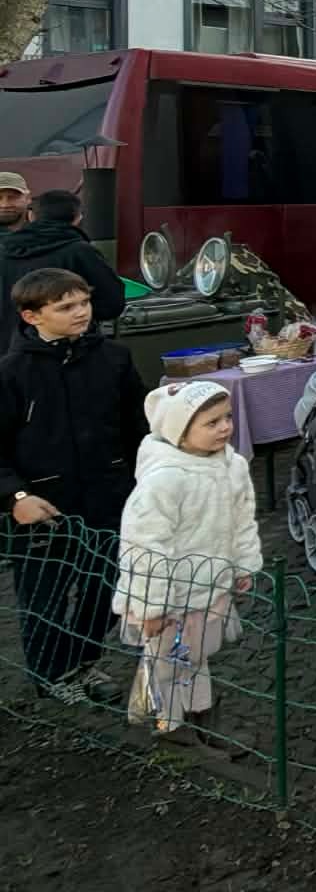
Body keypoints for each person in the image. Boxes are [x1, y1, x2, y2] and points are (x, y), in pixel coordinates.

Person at [0, 268, 145, 704]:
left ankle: (82, 662)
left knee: (109, 586)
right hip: (42, 508)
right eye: (66, 307)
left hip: (109, 497)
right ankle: (52, 674)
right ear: (32, 316)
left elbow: (137, 428)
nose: (81, 312)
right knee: (44, 596)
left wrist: (146, 480)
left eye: (84, 302)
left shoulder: (114, 358)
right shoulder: (10, 373)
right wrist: (16, 496)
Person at [112, 379, 261, 746]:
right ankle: (170, 726)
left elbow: (242, 518)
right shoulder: (164, 480)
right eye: (212, 423)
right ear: (179, 431)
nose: (225, 427)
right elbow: (144, 547)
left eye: (227, 417)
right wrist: (152, 606)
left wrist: (242, 565)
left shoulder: (231, 465)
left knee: (195, 657)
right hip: (170, 596)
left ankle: (202, 721)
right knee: (167, 661)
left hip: (208, 586)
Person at [1, 189, 126, 353]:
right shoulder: (80, 252)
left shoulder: (4, 250)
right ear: (78, 218)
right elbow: (112, 304)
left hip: (8, 349)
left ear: (31, 216)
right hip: (66, 350)